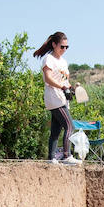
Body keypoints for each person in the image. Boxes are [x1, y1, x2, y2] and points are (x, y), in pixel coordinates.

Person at [33, 32, 78, 164]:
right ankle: (66, 156)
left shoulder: (64, 62)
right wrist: (63, 88)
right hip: (54, 97)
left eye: (66, 47)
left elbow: (65, 81)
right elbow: (48, 78)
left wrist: (71, 89)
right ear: (54, 44)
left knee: (55, 130)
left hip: (62, 98)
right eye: (62, 46)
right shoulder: (48, 59)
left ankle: (51, 158)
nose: (64, 50)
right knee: (70, 126)